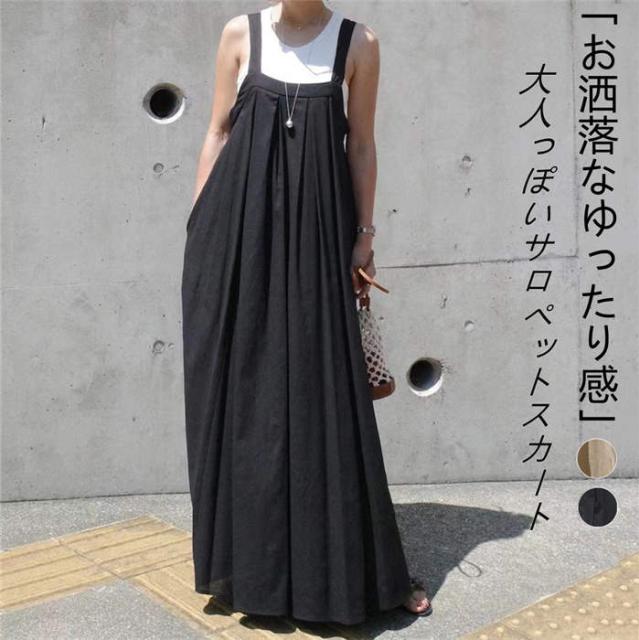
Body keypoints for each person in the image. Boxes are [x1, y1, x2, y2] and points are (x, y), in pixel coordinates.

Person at [181, 0, 432, 625]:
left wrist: (364, 236)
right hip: (238, 236)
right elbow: (217, 132)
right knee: (247, 400)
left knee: (327, 397)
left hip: (321, 236)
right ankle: (249, 571)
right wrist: (200, 227)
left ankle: (359, 574)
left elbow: (362, 144)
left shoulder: (359, 43)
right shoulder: (239, 34)